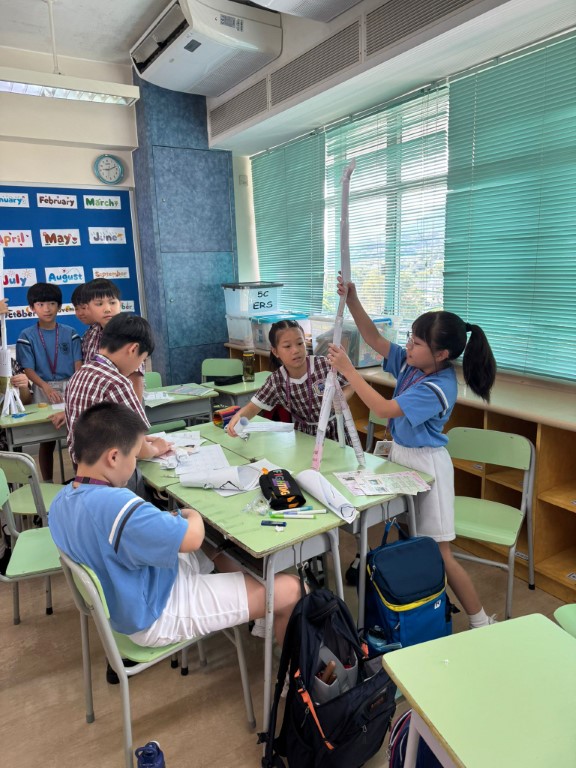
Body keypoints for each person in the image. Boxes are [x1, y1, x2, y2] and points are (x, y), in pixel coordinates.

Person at [49, 401, 300, 647]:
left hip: (134, 592)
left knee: (218, 546)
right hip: (158, 612)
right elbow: (193, 538)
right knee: (291, 589)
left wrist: (173, 518)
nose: (135, 464)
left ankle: (260, 608)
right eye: (135, 456)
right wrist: (192, 513)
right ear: (114, 457)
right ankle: (291, 661)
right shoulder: (116, 506)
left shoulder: (62, 500)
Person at [328, 276, 498, 629]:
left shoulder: (438, 386)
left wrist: (348, 370)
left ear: (442, 354)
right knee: (409, 540)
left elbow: (383, 408)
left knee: (441, 552)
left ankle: (481, 621)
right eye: (409, 337)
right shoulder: (412, 363)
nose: (408, 346)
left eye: (416, 342)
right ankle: (420, 610)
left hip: (428, 466)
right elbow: (373, 339)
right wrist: (353, 300)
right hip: (402, 457)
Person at [64, 312, 171, 473]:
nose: (138, 366)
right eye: (142, 360)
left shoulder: (79, 374)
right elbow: (140, 449)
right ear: (133, 349)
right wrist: (156, 448)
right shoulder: (118, 383)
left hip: (82, 469)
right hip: (112, 474)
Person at [227, 319, 352, 441]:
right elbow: (253, 408)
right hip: (304, 436)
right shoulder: (276, 381)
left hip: (336, 431)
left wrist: (341, 399)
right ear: (275, 351)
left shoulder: (324, 365)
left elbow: (350, 383)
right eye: (287, 346)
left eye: (300, 343)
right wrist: (237, 419)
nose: (296, 350)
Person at [16, 283, 82, 481]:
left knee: (76, 435)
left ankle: (81, 479)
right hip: (42, 388)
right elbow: (28, 369)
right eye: (41, 304)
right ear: (32, 308)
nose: (47, 308)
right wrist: (45, 386)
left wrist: (75, 387)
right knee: (46, 440)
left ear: (59, 306)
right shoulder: (26, 335)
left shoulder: (70, 332)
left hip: (70, 385)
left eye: (52, 303)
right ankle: (48, 482)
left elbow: (78, 363)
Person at [81, 278, 144, 400]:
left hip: (125, 402)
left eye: (112, 302)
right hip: (96, 401)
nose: (107, 309)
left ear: (120, 304)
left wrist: (132, 410)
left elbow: (136, 380)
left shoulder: (129, 334)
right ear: (87, 308)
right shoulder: (89, 335)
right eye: (99, 304)